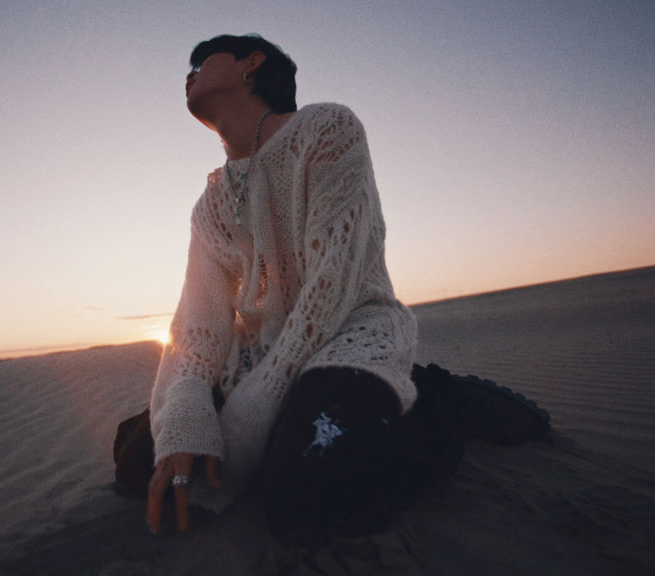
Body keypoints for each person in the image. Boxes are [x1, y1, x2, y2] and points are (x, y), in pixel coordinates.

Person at [113, 34, 549, 544]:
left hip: (346, 332)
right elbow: (198, 322)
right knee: (139, 466)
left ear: (252, 63)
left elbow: (331, 285)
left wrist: (254, 410)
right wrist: (187, 410)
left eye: (202, 61)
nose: (189, 73)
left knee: (308, 496)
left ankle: (440, 399)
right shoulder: (209, 206)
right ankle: (285, 423)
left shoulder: (326, 129)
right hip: (257, 356)